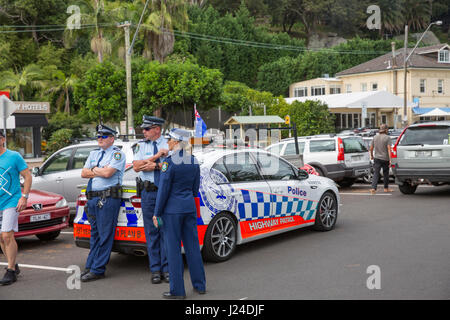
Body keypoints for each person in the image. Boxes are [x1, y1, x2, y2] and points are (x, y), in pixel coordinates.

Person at [153, 128, 206, 299]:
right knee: (192, 248)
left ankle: (177, 291)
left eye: (169, 139)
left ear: (176, 142)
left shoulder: (169, 162)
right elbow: (195, 188)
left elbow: (163, 190)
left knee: (173, 250)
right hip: (188, 207)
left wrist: (157, 213)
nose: (167, 142)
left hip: (171, 211)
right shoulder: (193, 160)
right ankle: (200, 285)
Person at [80, 124, 126, 282]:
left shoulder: (117, 154)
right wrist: (98, 168)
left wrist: (93, 169)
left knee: (105, 235)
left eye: (103, 136)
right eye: (98, 136)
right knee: (95, 235)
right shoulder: (94, 153)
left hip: (107, 199)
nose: (99, 139)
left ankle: (98, 269)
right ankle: (90, 265)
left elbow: (108, 173)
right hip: (92, 199)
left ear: (112, 139)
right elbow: (83, 173)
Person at [132, 115, 169, 284]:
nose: (143, 132)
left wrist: (155, 165)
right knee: (152, 231)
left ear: (157, 129)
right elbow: (137, 167)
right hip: (149, 193)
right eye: (143, 129)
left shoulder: (169, 143)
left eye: (147, 129)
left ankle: (167, 268)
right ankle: (155, 269)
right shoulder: (140, 146)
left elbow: (175, 166)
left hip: (166, 192)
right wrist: (157, 156)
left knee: (166, 231)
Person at [0, 130, 32, 285]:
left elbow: (27, 176)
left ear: (3, 139)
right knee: (1, 237)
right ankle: (13, 264)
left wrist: (24, 197)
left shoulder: (13, 156)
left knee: (7, 235)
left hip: (11, 201)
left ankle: (11, 270)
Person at [370, 124, 393, 194]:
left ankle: (373, 188)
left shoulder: (375, 137)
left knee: (376, 173)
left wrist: (371, 155)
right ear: (386, 130)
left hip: (377, 158)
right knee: (386, 173)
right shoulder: (387, 138)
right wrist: (390, 160)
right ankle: (386, 188)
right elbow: (389, 149)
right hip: (385, 158)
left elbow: (371, 148)